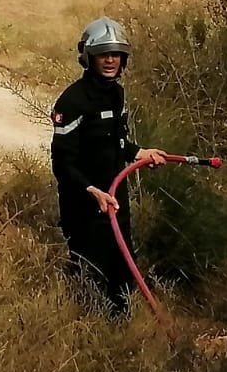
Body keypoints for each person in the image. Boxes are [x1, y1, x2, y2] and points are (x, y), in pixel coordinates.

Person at [51, 17, 168, 316]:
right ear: (89, 58)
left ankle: (121, 332)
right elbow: (62, 162)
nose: (110, 60)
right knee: (89, 274)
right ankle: (84, 333)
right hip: (85, 206)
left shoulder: (117, 95)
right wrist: (92, 191)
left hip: (117, 201)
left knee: (121, 273)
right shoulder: (72, 101)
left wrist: (140, 152)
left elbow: (116, 141)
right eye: (104, 54)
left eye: (116, 54)